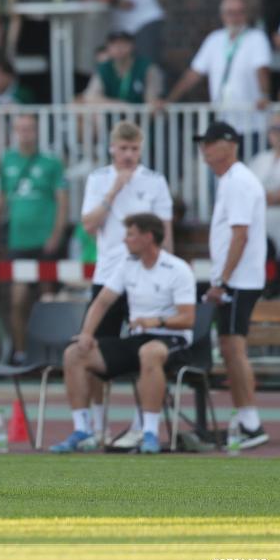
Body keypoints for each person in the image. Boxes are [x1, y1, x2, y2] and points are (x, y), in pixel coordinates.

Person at [51, 213, 196, 454]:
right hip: (137, 338)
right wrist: (87, 333)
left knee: (149, 353)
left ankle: (148, 432)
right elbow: (102, 301)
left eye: (130, 234)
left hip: (171, 338)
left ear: (148, 237)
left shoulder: (177, 269)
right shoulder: (127, 265)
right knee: (74, 354)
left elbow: (188, 318)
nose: (125, 240)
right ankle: (82, 430)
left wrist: (155, 320)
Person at [80, 121, 173, 447]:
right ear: (112, 148)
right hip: (108, 276)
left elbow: (166, 233)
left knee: (146, 350)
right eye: (123, 149)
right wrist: (113, 191)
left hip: (145, 281)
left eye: (134, 149)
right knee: (93, 348)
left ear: (141, 149)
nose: (129, 155)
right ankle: (95, 424)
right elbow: (89, 225)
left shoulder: (155, 181)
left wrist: (166, 273)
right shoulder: (98, 179)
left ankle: (142, 423)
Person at [196, 121, 269, 449]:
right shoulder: (233, 180)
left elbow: (240, 234)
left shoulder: (237, 181)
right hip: (236, 278)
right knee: (229, 346)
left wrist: (223, 280)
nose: (205, 149)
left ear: (230, 144)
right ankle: (245, 416)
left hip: (238, 279)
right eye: (203, 143)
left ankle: (251, 422)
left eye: (211, 143)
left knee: (233, 347)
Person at [0, 114, 66, 364]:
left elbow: (62, 200)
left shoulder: (51, 162)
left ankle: (51, 353)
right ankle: (21, 352)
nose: (25, 133)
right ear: (15, 132)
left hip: (44, 240)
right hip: (19, 242)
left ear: (36, 131)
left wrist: (57, 233)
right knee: (18, 299)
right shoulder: (7, 160)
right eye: (21, 129)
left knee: (47, 298)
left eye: (29, 129)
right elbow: (3, 198)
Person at [158, 0, 271, 143]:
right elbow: (193, 74)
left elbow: (261, 69)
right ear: (223, 16)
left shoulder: (256, 37)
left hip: (252, 123)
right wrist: (170, 100)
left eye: (240, 12)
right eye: (231, 13)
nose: (235, 17)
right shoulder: (214, 39)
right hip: (223, 122)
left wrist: (264, 95)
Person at [79, 0, 165, 66]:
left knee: (145, 67)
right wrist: (117, 2)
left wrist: (110, 0)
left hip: (145, 19)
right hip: (121, 26)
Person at [82, 31, 162, 105]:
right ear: (108, 47)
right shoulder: (103, 68)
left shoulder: (146, 67)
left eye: (123, 43)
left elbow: (152, 99)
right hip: (112, 118)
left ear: (132, 45)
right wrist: (120, 105)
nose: (119, 47)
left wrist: (152, 102)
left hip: (139, 118)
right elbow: (91, 96)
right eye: (114, 44)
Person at [247, 113, 280, 262]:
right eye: (274, 129)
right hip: (259, 223)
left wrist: (268, 197)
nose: (278, 133)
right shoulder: (260, 159)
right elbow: (247, 190)